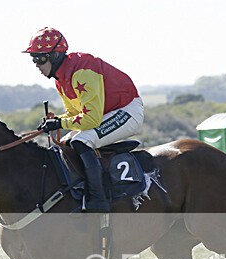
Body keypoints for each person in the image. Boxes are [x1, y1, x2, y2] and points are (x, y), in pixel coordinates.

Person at [23, 27, 144, 212]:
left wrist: (60, 123)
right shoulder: (60, 79)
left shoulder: (82, 71)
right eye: (33, 59)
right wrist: (55, 121)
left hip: (127, 110)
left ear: (55, 55)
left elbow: (91, 119)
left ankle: (99, 200)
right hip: (106, 113)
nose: (36, 65)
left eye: (40, 58)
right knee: (64, 143)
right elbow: (74, 114)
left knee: (81, 140)